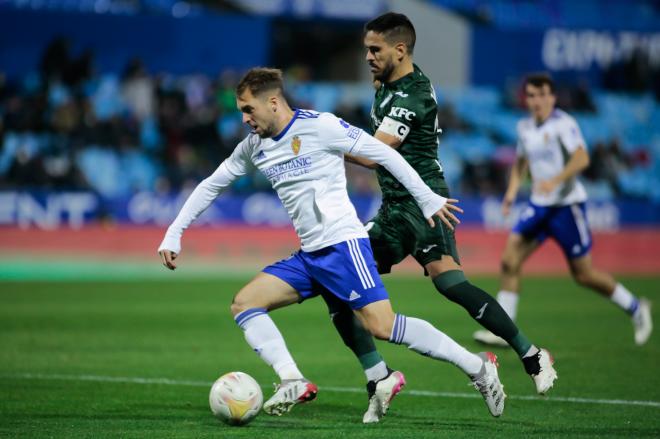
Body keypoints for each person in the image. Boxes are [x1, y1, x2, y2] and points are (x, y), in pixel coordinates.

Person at [158, 67, 506, 421]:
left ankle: (477, 367)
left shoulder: (321, 125)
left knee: (381, 326)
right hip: (311, 255)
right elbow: (211, 185)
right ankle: (292, 379)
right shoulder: (253, 147)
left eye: (249, 109)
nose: (244, 118)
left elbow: (383, 154)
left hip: (343, 245)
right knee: (245, 303)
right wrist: (175, 231)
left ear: (273, 102)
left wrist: (427, 198)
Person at [318, 12, 557, 423]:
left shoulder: (412, 96)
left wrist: (321, 139)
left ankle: (527, 356)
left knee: (421, 282)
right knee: (425, 283)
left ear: (400, 50)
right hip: (410, 205)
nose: (368, 58)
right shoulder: (389, 83)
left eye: (375, 50)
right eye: (365, 50)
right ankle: (383, 375)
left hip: (418, 205)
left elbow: (374, 154)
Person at [473, 73, 653, 347]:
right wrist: (510, 193)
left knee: (584, 274)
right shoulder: (525, 127)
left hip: (566, 208)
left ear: (552, 98)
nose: (536, 101)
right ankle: (503, 331)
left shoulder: (563, 124)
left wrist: (555, 180)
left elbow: (582, 157)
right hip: (539, 206)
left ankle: (636, 308)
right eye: (531, 96)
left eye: (541, 95)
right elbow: (521, 163)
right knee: (510, 260)